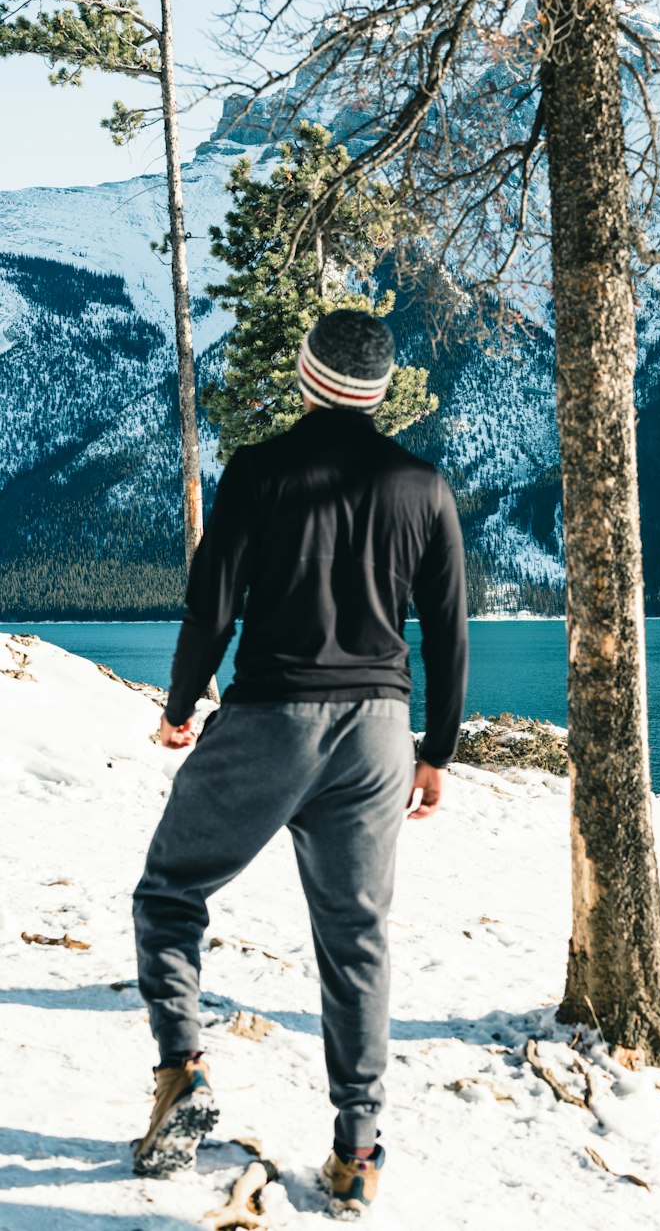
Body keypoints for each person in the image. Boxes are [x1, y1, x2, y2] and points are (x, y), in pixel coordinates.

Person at [131, 309, 467, 1214]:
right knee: (356, 937)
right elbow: (447, 630)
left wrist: (177, 708)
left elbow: (212, 608)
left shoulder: (259, 469)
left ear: (308, 378)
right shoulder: (423, 485)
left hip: (274, 715)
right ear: (382, 391)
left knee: (170, 893)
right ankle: (358, 1150)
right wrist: (435, 749)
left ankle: (181, 1074)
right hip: (377, 733)